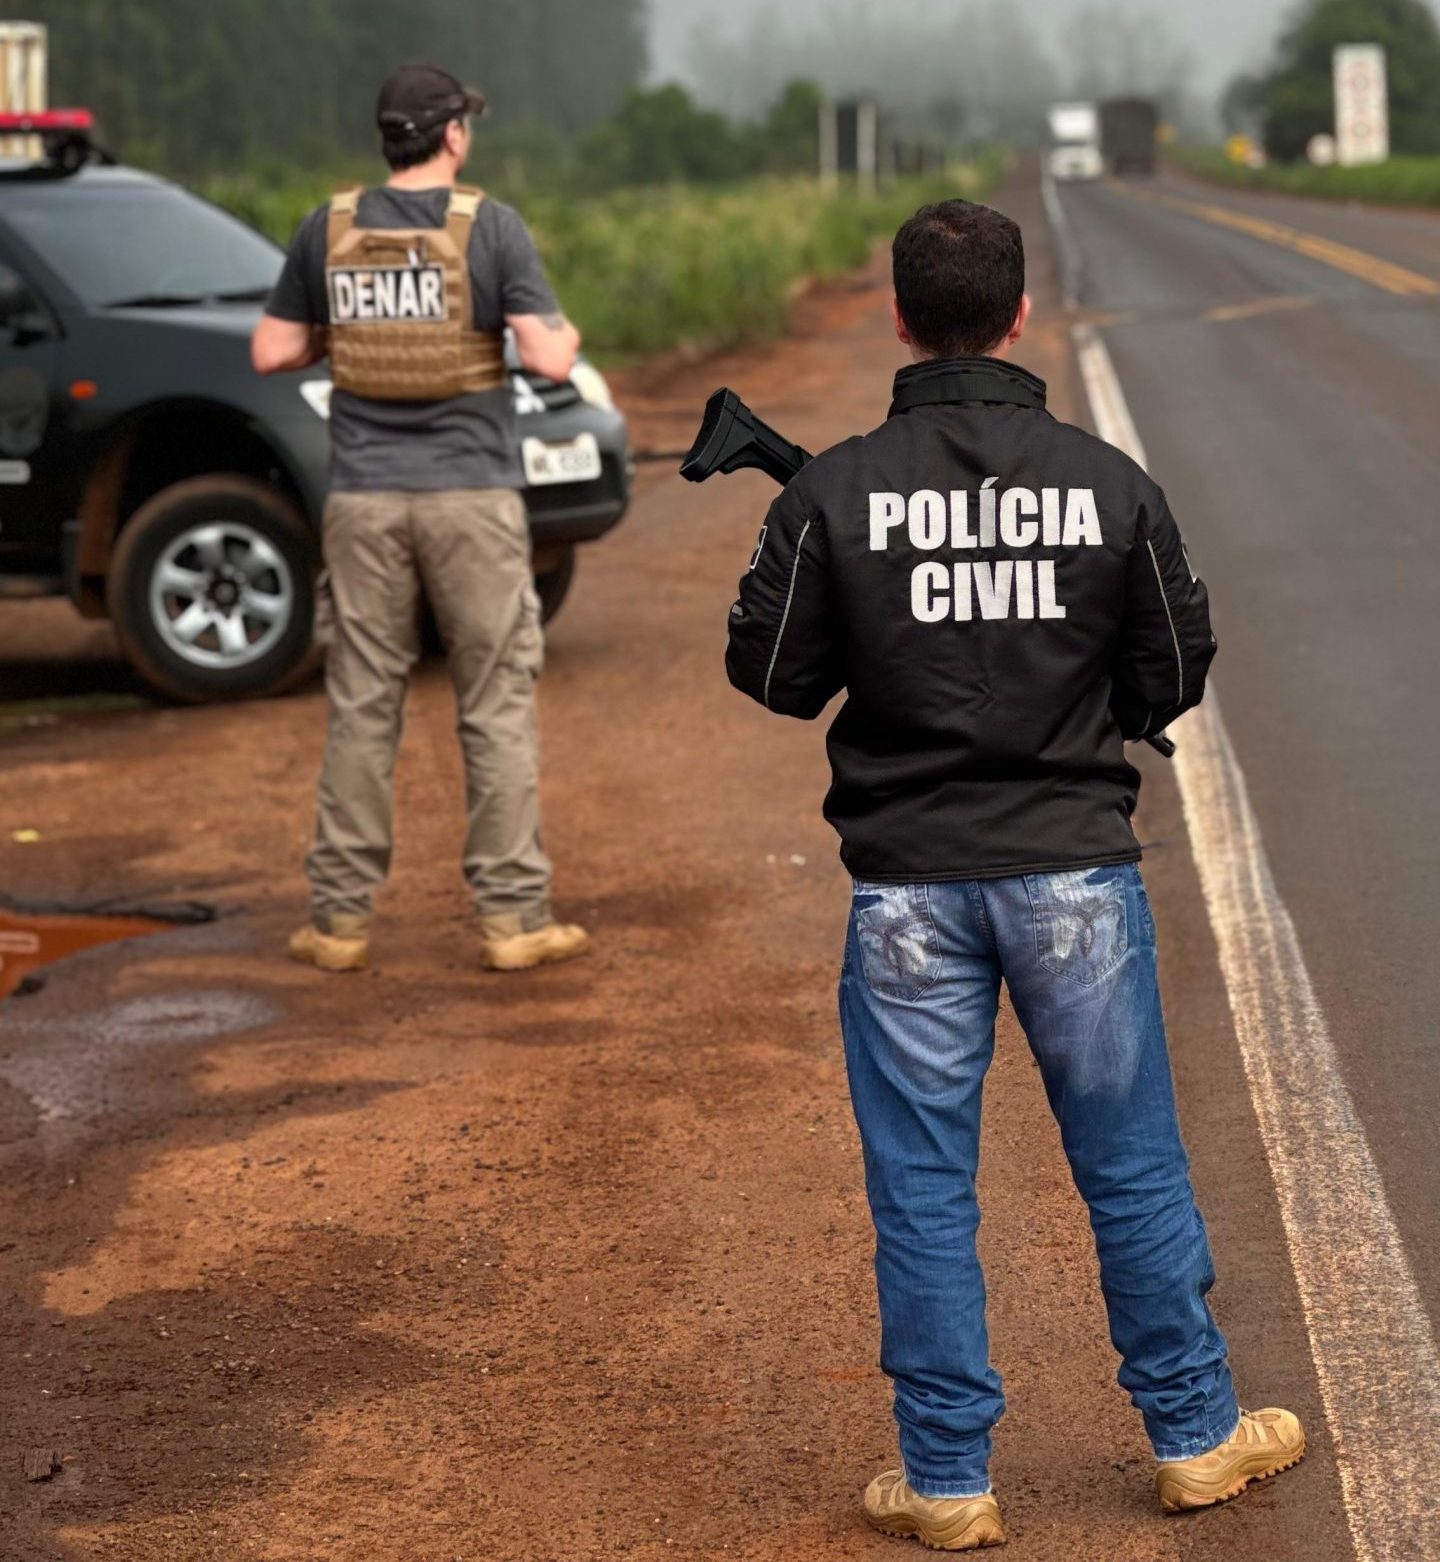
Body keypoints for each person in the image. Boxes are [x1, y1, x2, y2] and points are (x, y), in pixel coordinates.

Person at [725, 199, 1302, 1549]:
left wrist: (850, 603)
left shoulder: (834, 491)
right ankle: (1196, 1437)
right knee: (1132, 1168)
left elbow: (773, 673)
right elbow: (1176, 664)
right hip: (1075, 880)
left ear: (900, 316)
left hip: (907, 890)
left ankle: (946, 1478)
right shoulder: (1110, 483)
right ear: (1021, 314)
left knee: (924, 1187)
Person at [252, 64, 589, 975]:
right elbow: (549, 361)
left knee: (363, 703)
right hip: (470, 499)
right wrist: (563, 336)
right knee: (495, 702)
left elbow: (271, 348)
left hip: (363, 498)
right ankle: (514, 921)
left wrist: (344, 335)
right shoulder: (491, 228)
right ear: (453, 136)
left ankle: (338, 923)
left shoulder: (329, 228)